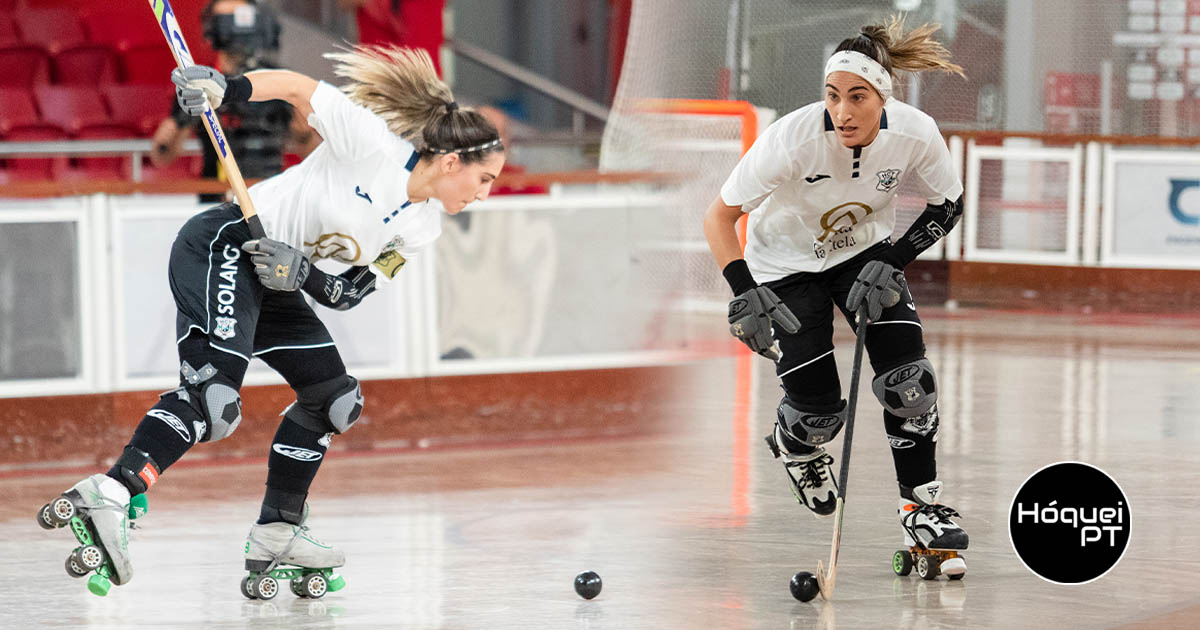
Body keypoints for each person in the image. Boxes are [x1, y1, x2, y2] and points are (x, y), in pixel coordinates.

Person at [37, 45, 504, 596]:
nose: (484, 193)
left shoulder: (423, 227)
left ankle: (278, 529)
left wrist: (302, 272)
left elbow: (347, 293)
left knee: (335, 400)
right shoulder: (371, 146)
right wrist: (224, 90)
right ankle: (111, 492)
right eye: (485, 180)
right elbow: (298, 88)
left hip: (279, 278)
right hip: (228, 244)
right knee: (216, 402)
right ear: (452, 162)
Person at [703, 16, 969, 577]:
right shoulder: (792, 139)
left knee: (910, 384)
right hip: (783, 267)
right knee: (818, 414)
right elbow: (720, 215)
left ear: (883, 99)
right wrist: (743, 292)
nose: (842, 111)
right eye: (832, 96)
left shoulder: (916, 132)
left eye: (857, 97)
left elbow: (949, 205)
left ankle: (922, 509)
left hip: (863, 257)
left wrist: (894, 258)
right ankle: (796, 447)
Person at [151, 0, 316, 200]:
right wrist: (166, 139)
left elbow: (311, 150)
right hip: (217, 198)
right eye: (227, 21)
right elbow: (163, 156)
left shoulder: (276, 81)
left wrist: (305, 135)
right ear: (212, 29)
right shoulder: (198, 83)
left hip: (271, 196)